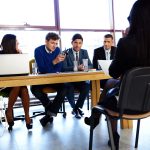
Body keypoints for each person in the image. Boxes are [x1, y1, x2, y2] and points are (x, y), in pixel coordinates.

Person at [85, 0, 150, 149]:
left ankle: (111, 133)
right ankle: (96, 118)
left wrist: (126, 40)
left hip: (125, 104)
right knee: (108, 84)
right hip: (147, 102)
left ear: (134, 20)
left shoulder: (126, 43)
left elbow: (114, 72)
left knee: (107, 98)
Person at [30, 32, 67, 127]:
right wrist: (54, 62)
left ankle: (48, 115)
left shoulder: (58, 50)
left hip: (54, 79)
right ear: (46, 41)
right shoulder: (38, 50)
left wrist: (52, 66)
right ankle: (51, 108)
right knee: (34, 89)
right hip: (42, 79)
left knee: (64, 88)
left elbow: (58, 69)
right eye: (52, 43)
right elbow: (42, 69)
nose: (55, 46)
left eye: (56, 43)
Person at [0, 34, 32, 130]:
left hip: (16, 85)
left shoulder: (18, 54)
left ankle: (24, 114)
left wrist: (20, 55)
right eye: (16, 41)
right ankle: (14, 112)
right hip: (3, 86)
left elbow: (23, 72)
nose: (18, 43)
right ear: (11, 43)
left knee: (23, 89)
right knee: (20, 85)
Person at [62, 33, 92, 118]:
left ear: (82, 43)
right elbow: (64, 68)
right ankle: (75, 108)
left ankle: (76, 108)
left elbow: (90, 65)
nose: (77, 45)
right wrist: (77, 67)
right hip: (69, 80)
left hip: (81, 80)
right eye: (75, 42)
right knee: (68, 87)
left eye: (80, 43)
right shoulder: (65, 52)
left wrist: (84, 67)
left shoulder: (84, 52)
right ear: (72, 43)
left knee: (87, 85)